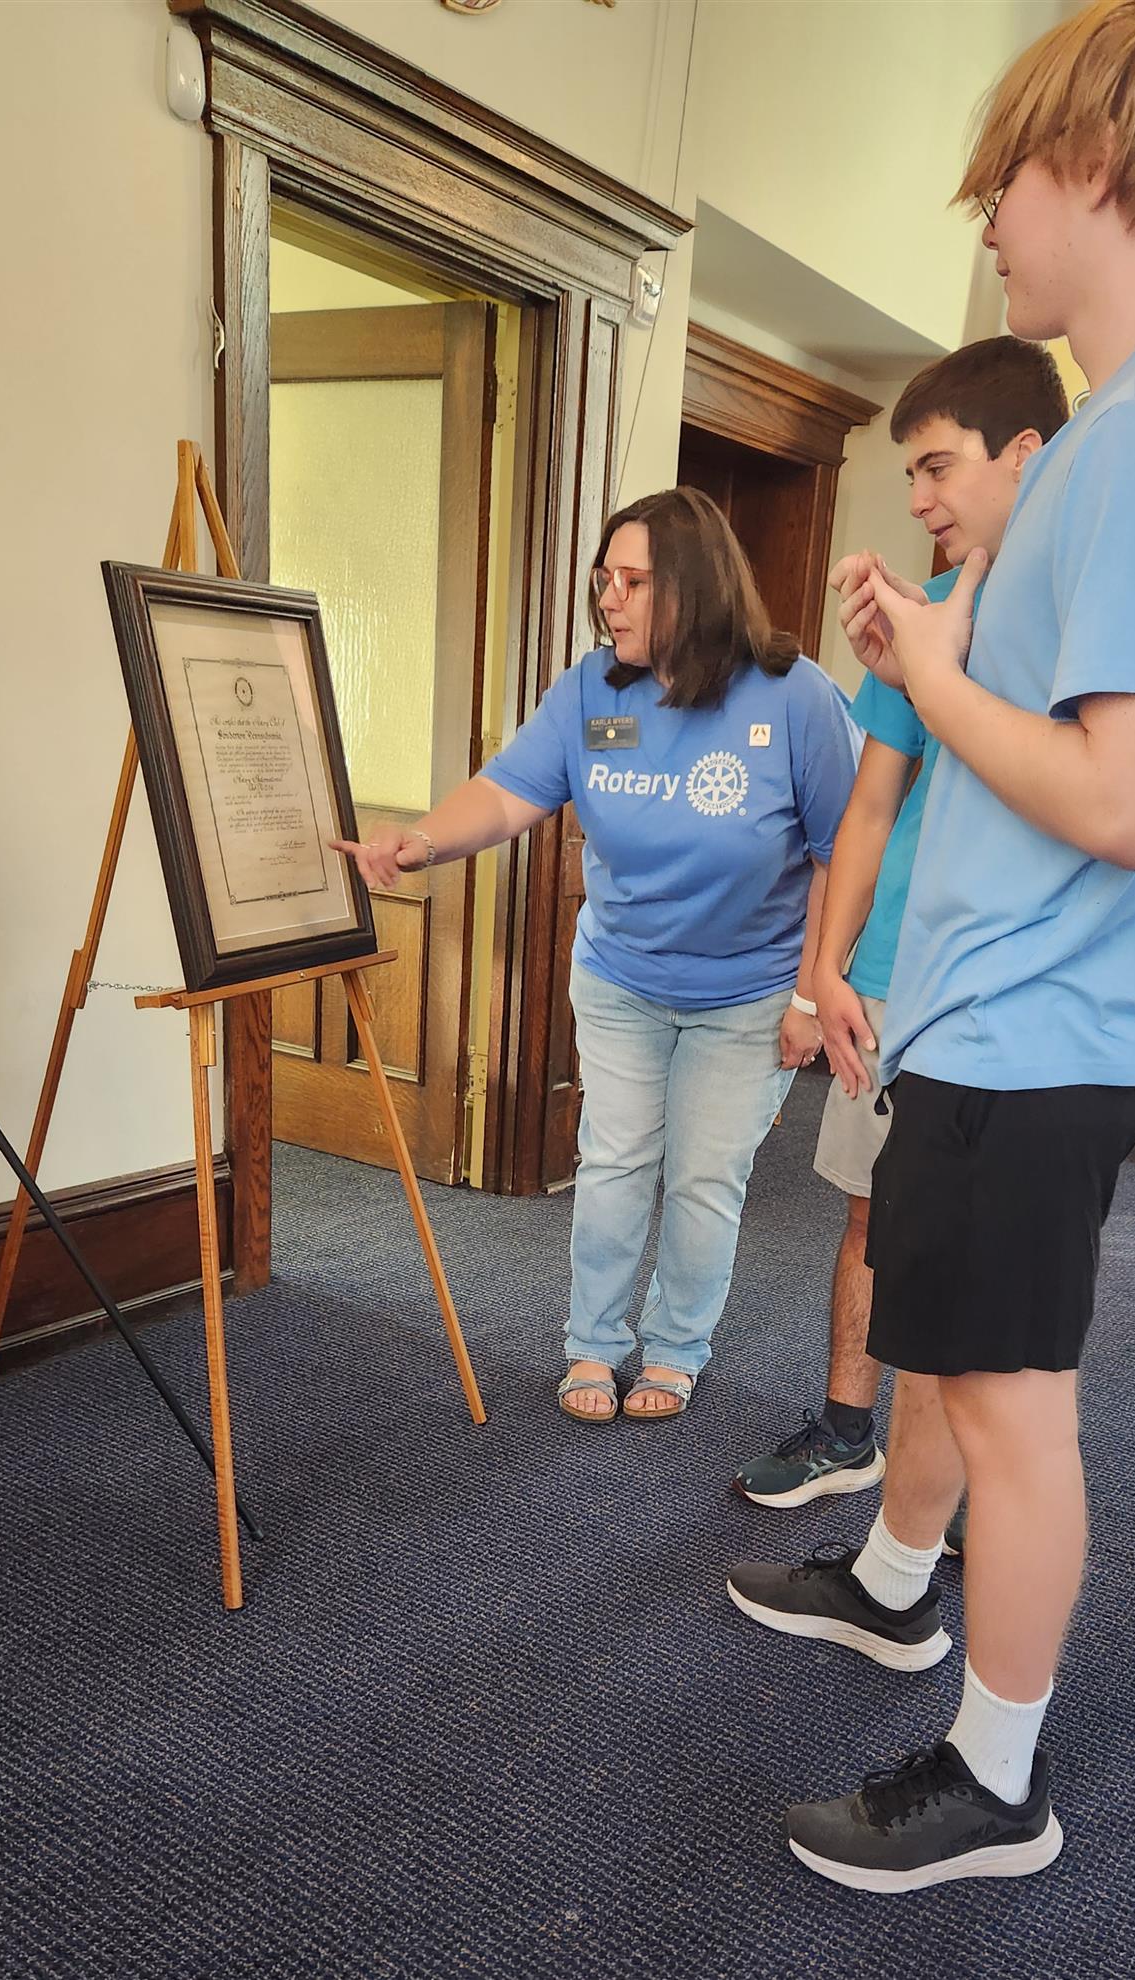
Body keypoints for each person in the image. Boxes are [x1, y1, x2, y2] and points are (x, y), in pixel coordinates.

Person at [728, 0, 1135, 1891]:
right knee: (965, 1374)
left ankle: (994, 1786)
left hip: (1037, 1026)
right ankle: (899, 1595)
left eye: (1001, 187)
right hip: (1001, 1014)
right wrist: (947, 647)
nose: (983, 225)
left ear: (1096, 166)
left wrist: (939, 675)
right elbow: (1050, 728)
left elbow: (1127, 796)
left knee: (1012, 1412)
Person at [333, 487, 858, 1422]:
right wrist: (419, 843)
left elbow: (840, 853)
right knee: (614, 1163)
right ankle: (594, 1344)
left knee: (704, 1178)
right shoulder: (591, 690)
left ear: (697, 584)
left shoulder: (795, 695)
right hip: (622, 976)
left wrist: (813, 996)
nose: (609, 599)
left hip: (750, 990)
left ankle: (677, 1349)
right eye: (604, 579)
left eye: (635, 581)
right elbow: (509, 792)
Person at [732, 336, 1068, 1511]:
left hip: (1008, 992)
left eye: (936, 467)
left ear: (1024, 454)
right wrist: (821, 972)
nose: (917, 498)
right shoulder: (914, 618)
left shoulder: (1073, 623)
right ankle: (845, 1431)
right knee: (871, 1216)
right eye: (908, 474)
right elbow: (868, 809)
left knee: (983, 1246)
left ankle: (954, 1486)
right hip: (885, 979)